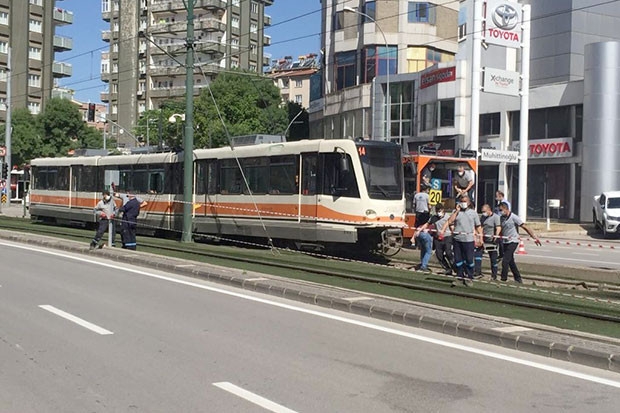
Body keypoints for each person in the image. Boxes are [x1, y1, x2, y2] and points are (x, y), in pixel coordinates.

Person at [440, 195, 483, 286]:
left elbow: (478, 227)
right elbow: (450, 221)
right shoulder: (456, 212)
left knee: (469, 259)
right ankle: (459, 276)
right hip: (457, 239)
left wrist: (480, 238)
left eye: (465, 201)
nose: (463, 203)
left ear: (469, 202)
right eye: (462, 201)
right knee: (458, 259)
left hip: (468, 240)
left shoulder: (473, 213)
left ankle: (469, 277)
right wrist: (456, 211)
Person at [498, 202, 542, 283]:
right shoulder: (501, 218)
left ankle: (503, 279)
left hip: (513, 241)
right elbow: (501, 229)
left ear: (506, 209)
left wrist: (534, 237)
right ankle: (518, 279)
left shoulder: (514, 217)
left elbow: (525, 227)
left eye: (501, 210)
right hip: (505, 241)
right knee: (511, 261)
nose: (500, 211)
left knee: (505, 260)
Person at [417, 203, 455, 275]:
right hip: (438, 238)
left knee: (448, 252)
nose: (438, 212)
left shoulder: (448, 217)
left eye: (439, 210)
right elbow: (427, 224)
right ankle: (447, 268)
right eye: (437, 210)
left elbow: (452, 227)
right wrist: (420, 230)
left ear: (443, 210)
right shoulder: (434, 218)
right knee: (439, 255)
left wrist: (453, 235)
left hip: (447, 237)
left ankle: (454, 266)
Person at [474, 204, 502, 280]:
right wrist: (480, 238)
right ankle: (477, 272)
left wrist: (495, 237)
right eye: (482, 211)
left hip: (492, 241)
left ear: (489, 210)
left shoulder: (496, 217)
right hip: (484, 239)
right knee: (478, 255)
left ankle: (494, 275)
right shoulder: (483, 217)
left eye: (484, 211)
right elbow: (481, 227)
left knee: (493, 258)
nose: (483, 213)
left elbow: (498, 228)